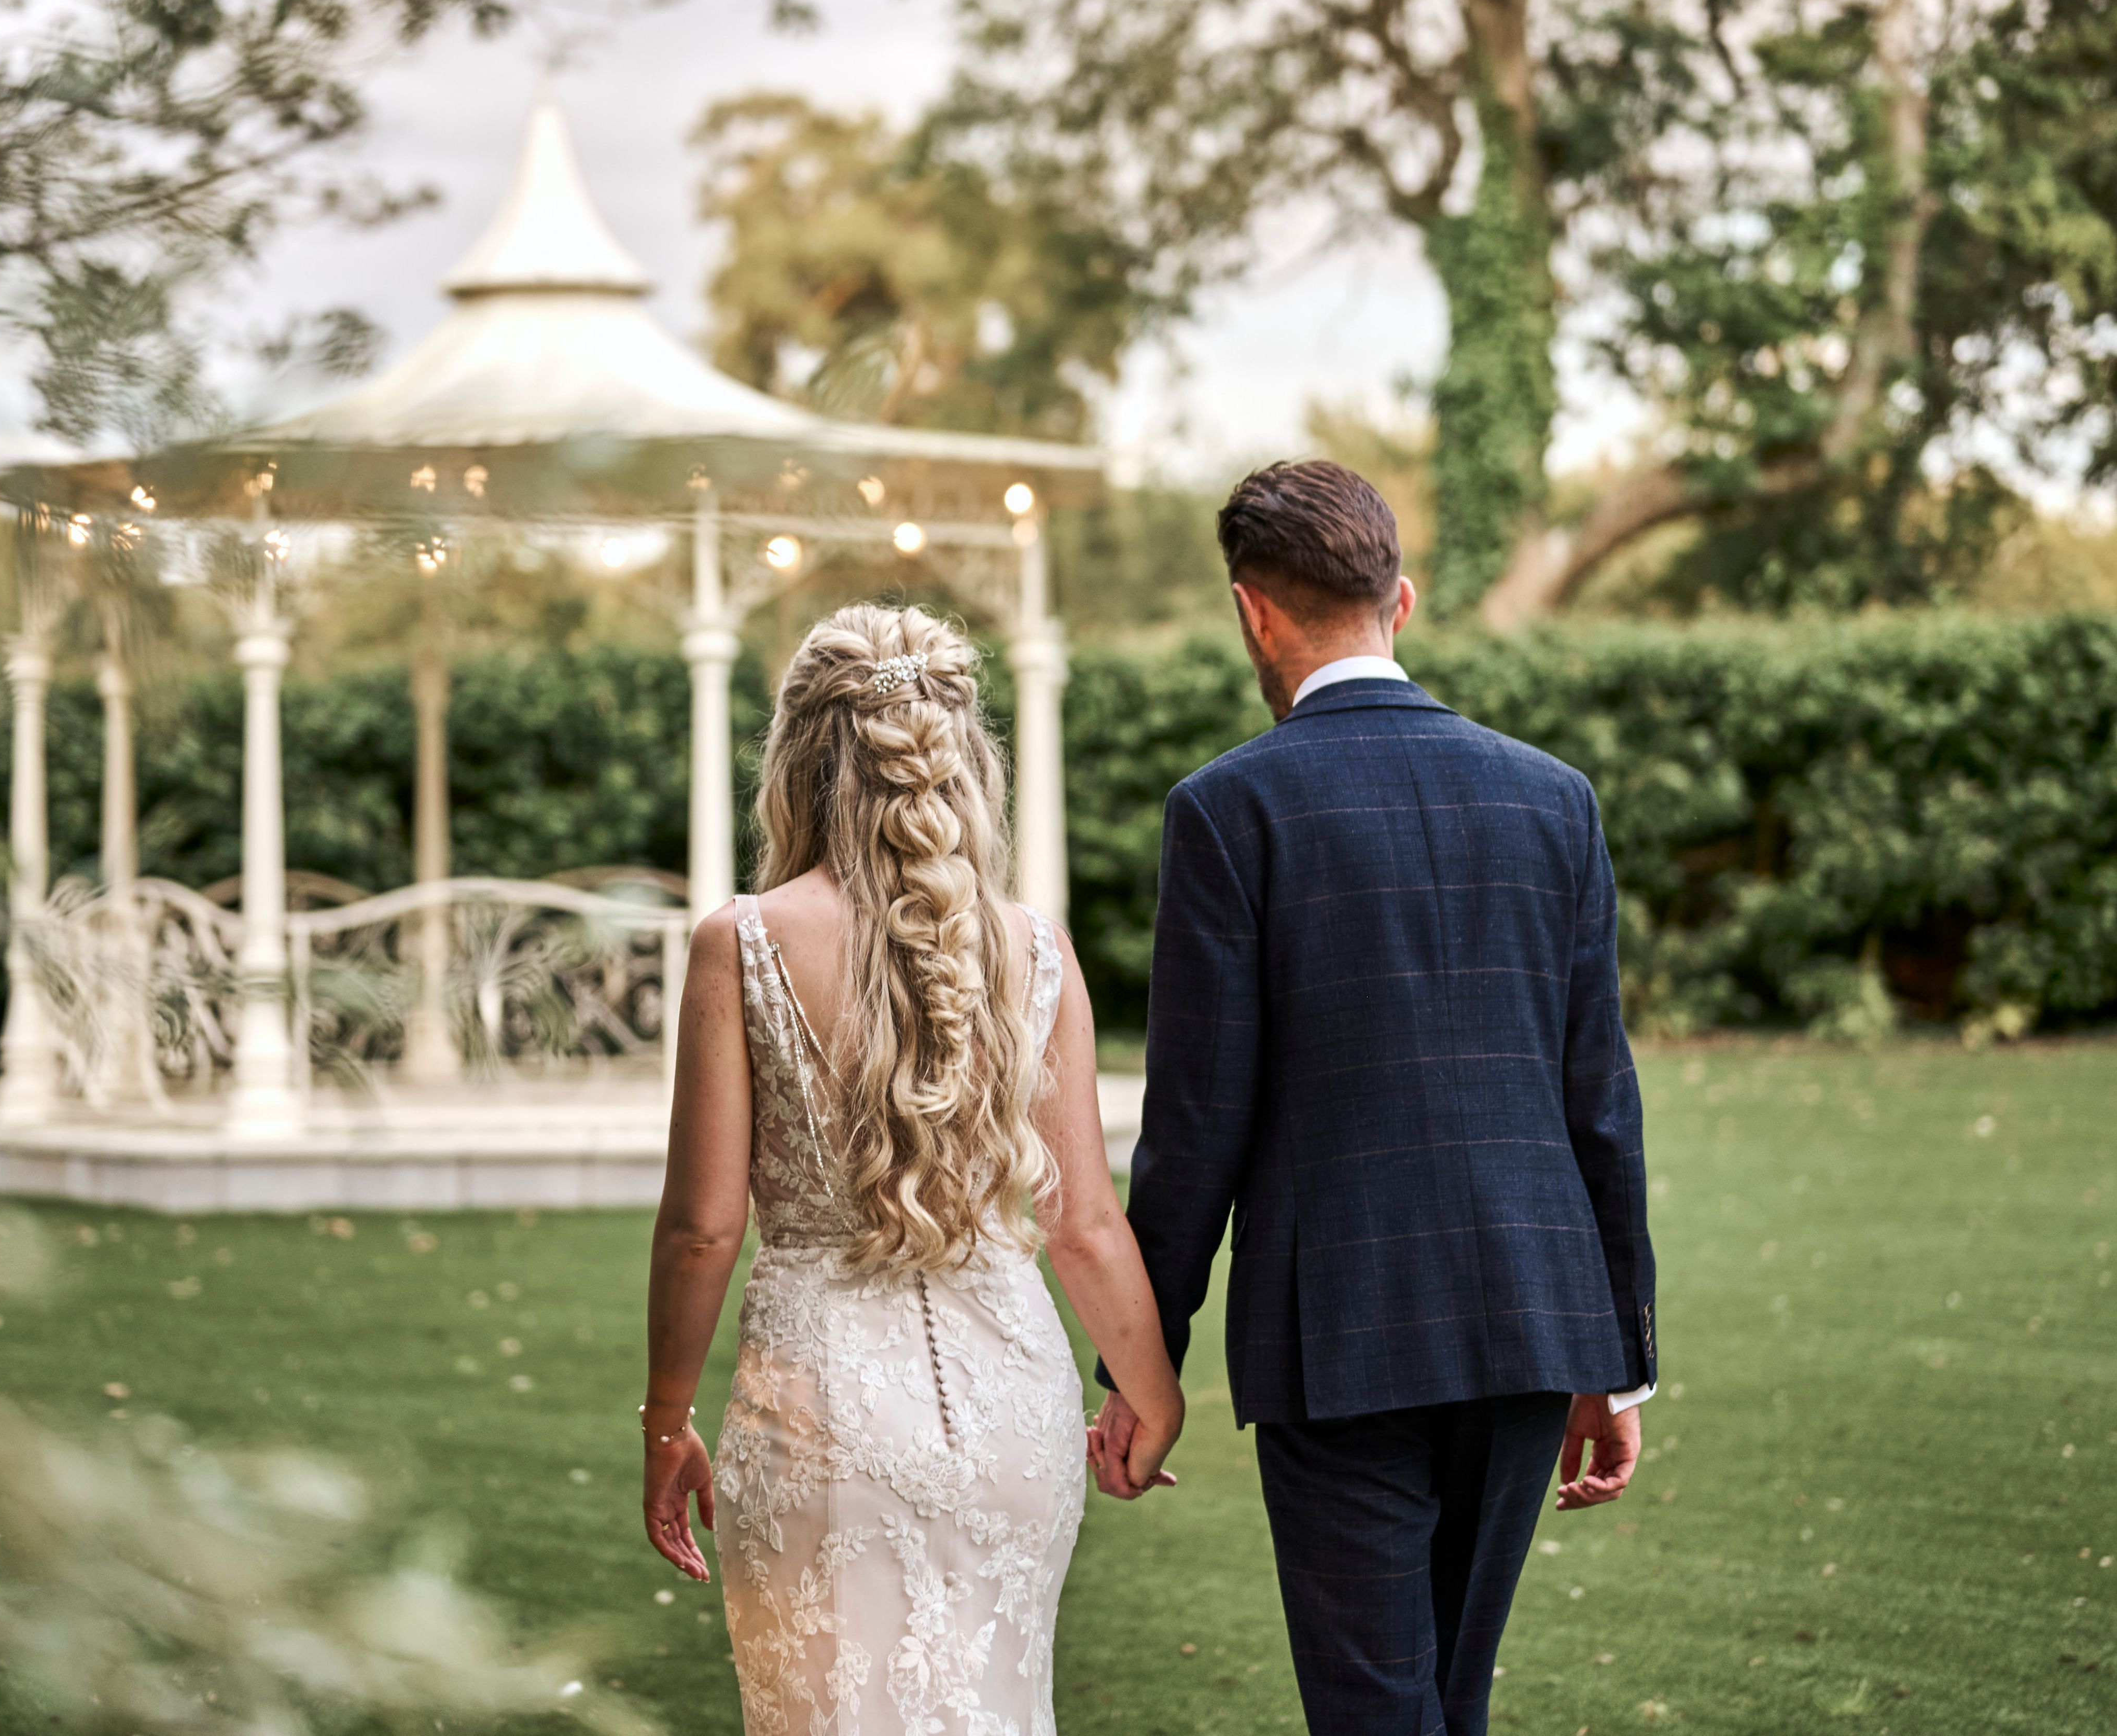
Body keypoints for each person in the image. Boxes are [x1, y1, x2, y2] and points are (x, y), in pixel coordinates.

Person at [1089, 460, 1658, 1736]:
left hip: (1336, 1333)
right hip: (1528, 1316)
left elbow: (1194, 1127)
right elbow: (1600, 1103)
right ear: (1398, 600)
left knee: (1373, 1709)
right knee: (1447, 1700)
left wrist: (1144, 1357)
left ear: (1254, 614)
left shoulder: (1226, 812)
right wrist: (1616, 1363)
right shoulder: (1554, 798)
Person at [640, 603, 1185, 1734]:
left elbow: (703, 1224)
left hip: (818, 1410)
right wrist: (1150, 1393)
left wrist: (666, 1419)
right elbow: (1082, 1219)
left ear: (795, 762)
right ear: (959, 758)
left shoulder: (740, 941)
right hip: (1013, 1411)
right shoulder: (1034, 948)